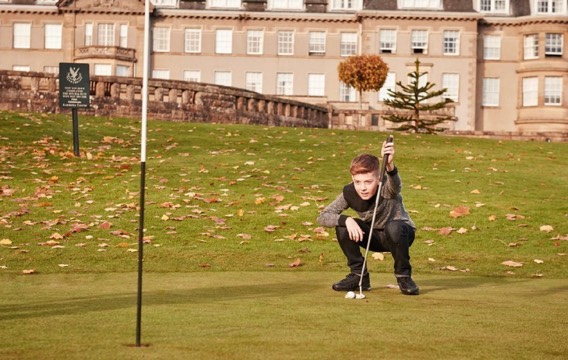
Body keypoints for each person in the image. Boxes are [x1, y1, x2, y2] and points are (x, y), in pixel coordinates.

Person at [317, 138, 419, 295]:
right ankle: (359, 276)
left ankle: (403, 276)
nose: (363, 187)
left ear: (378, 179)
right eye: (358, 182)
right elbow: (323, 216)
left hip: (400, 235)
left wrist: (390, 166)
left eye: (368, 182)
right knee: (343, 227)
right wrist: (347, 219)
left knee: (395, 227)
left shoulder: (386, 187)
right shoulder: (350, 193)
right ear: (353, 179)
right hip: (373, 236)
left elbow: (396, 186)